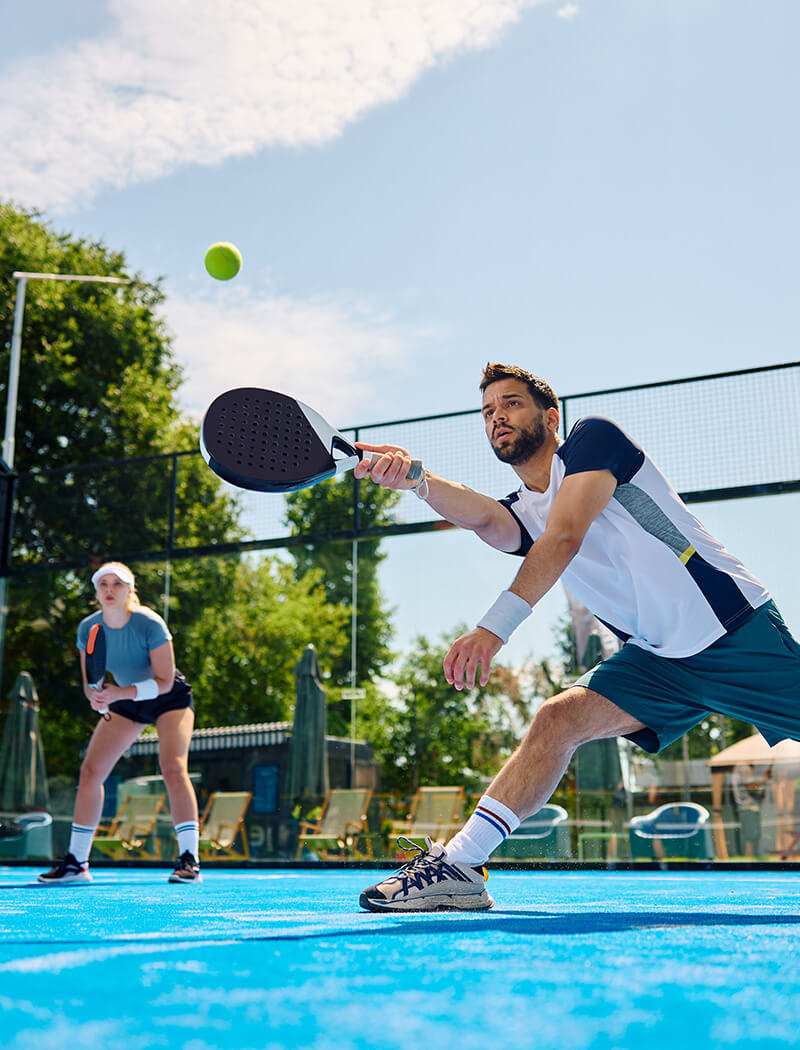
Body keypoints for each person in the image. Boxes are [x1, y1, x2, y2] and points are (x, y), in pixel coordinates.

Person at [355, 362, 800, 912]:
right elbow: (485, 518)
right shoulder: (524, 512)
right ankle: (462, 866)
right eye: (489, 412)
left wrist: (492, 630)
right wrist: (416, 480)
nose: (498, 417)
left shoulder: (595, 441)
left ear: (550, 415)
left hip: (732, 630)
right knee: (557, 718)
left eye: (511, 404)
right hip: (656, 662)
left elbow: (564, 536)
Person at [39, 562, 202, 885]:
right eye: (103, 584)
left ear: (130, 590)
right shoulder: (88, 628)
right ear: (96, 592)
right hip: (123, 699)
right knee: (90, 772)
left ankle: (190, 860)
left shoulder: (149, 623)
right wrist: (96, 698)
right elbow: (90, 683)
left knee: (172, 767)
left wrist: (116, 694)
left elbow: (166, 681)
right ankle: (77, 864)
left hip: (169, 697)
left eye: (118, 584)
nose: (110, 589)